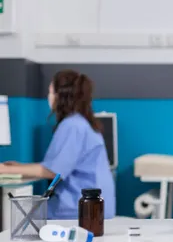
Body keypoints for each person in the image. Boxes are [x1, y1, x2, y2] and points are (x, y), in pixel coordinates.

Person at [0, 70, 116, 220]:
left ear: (61, 96)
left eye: (50, 92)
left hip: (79, 207)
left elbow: (54, 171)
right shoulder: (84, 123)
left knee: (20, 218)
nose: (49, 97)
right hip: (95, 206)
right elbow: (57, 166)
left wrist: (5, 169)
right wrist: (17, 168)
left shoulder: (72, 126)